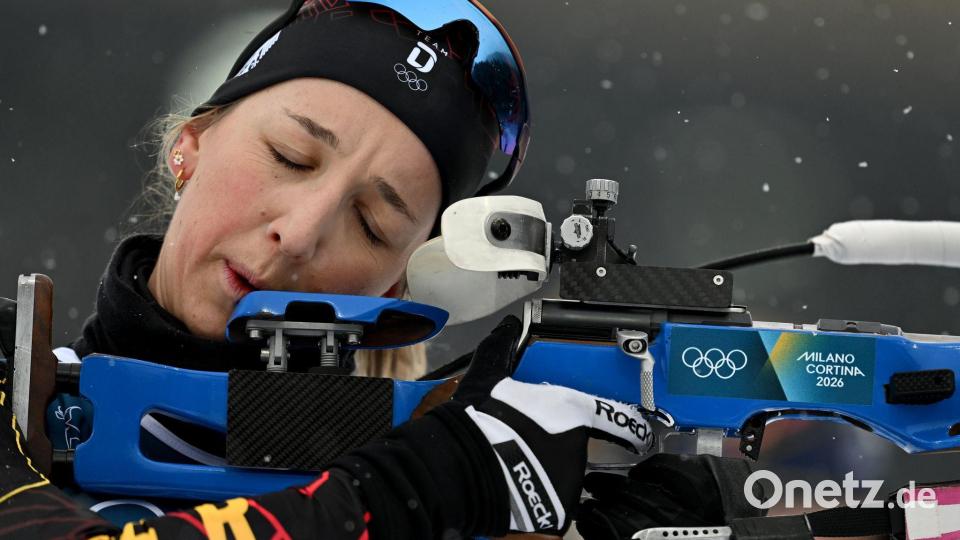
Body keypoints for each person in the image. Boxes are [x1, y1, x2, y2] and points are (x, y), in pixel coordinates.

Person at [0, 1, 762, 538]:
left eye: (373, 223)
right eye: (289, 156)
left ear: (397, 283)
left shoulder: (470, 491)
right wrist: (426, 485)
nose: (300, 234)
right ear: (191, 143)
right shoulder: (11, 379)